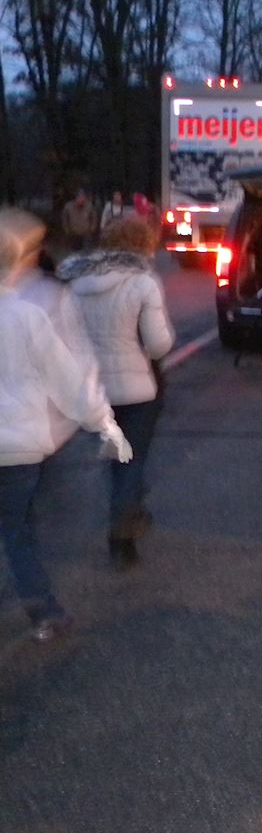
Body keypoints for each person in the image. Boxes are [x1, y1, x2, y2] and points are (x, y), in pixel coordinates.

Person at [0, 221, 132, 643]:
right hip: (20, 448)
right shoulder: (28, 317)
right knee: (17, 531)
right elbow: (68, 380)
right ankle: (44, 613)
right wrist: (103, 425)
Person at [58, 218, 174, 566]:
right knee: (132, 459)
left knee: (115, 456)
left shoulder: (75, 282)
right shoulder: (142, 282)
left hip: (93, 389)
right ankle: (123, 527)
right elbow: (158, 344)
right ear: (143, 244)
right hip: (138, 388)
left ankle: (126, 515)